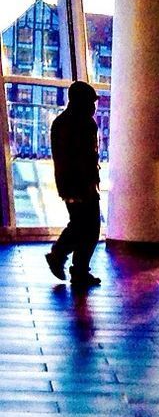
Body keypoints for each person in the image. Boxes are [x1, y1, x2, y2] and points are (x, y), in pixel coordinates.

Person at [46, 80, 102, 290]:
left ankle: (67, 261)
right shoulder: (85, 124)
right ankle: (70, 263)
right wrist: (90, 183)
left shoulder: (61, 122)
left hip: (67, 183)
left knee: (79, 225)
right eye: (91, 102)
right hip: (83, 184)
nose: (94, 106)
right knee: (89, 227)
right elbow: (85, 158)